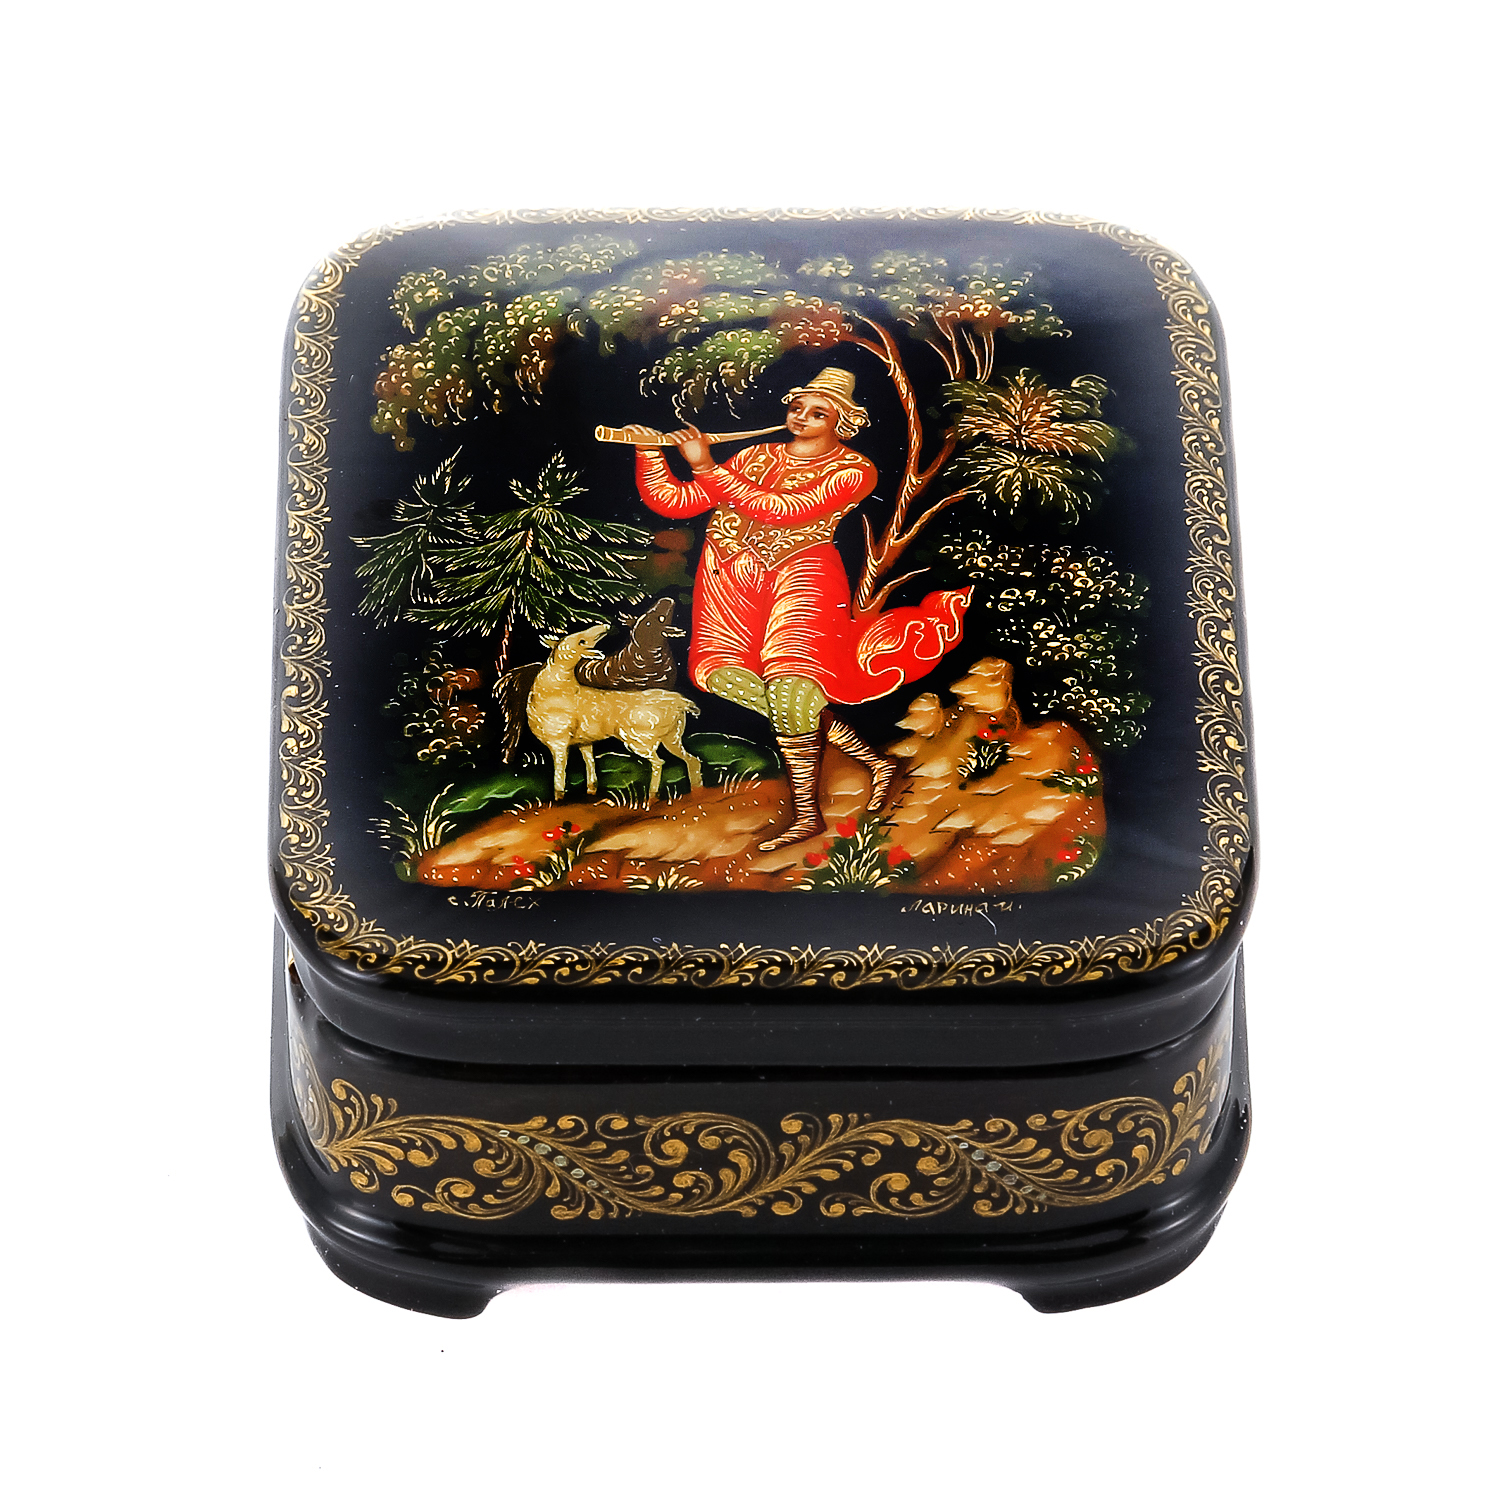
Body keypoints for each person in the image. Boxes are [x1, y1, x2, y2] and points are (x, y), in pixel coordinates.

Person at [622, 368, 969, 851]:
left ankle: (807, 816)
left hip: (801, 576)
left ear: (843, 422)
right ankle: (875, 761)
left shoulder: (854, 470)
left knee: (792, 687)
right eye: (797, 408)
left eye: (818, 413)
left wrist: (706, 466)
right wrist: (649, 452)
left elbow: (784, 510)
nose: (801, 417)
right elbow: (676, 502)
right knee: (721, 676)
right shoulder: (754, 455)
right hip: (730, 580)